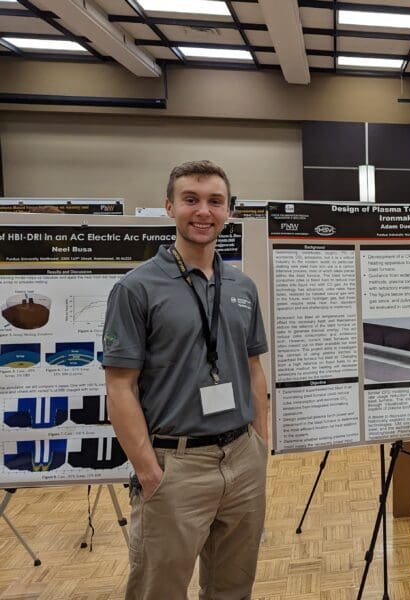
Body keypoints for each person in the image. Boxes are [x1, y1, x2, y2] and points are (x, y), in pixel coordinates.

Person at [102, 160, 269, 600]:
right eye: (191, 200)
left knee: (233, 588)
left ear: (228, 211)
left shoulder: (242, 286)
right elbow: (120, 386)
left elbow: (253, 368)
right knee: (160, 590)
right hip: (175, 465)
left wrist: (259, 446)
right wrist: (148, 470)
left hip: (240, 457)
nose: (203, 211)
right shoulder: (136, 288)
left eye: (215, 201)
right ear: (169, 206)